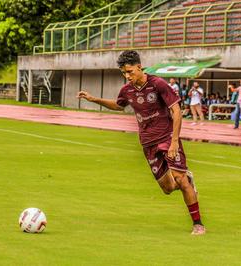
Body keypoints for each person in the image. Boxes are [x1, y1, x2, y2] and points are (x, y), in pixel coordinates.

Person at [77, 50, 205, 235]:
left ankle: (198, 224)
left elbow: (176, 111)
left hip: (167, 138)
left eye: (130, 71)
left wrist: (175, 142)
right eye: (124, 73)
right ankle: (187, 180)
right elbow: (118, 105)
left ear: (139, 67)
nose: (127, 76)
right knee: (168, 188)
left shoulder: (158, 84)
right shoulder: (127, 90)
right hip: (148, 144)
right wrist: (94, 99)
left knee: (180, 179)